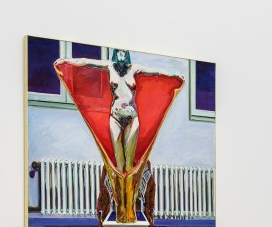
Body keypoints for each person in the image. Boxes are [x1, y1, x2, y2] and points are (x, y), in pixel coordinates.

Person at [55, 50, 183, 173]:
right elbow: (86, 61)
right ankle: (119, 188)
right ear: (116, 54)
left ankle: (130, 188)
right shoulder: (109, 66)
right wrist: (65, 61)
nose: (121, 54)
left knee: (129, 165)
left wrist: (174, 75)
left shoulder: (134, 68)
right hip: (115, 118)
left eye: (124, 52)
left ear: (127, 55)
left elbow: (156, 72)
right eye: (119, 52)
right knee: (119, 164)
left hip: (132, 119)